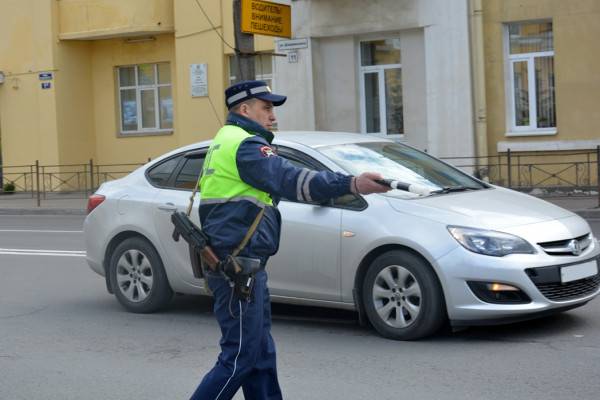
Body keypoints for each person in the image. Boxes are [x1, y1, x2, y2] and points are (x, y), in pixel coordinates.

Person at [189, 80, 390, 400]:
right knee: (240, 357)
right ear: (244, 109)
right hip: (237, 270)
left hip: (243, 267)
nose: (273, 116)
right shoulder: (245, 145)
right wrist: (351, 183)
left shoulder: (227, 139)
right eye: (266, 108)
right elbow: (291, 179)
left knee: (260, 357)